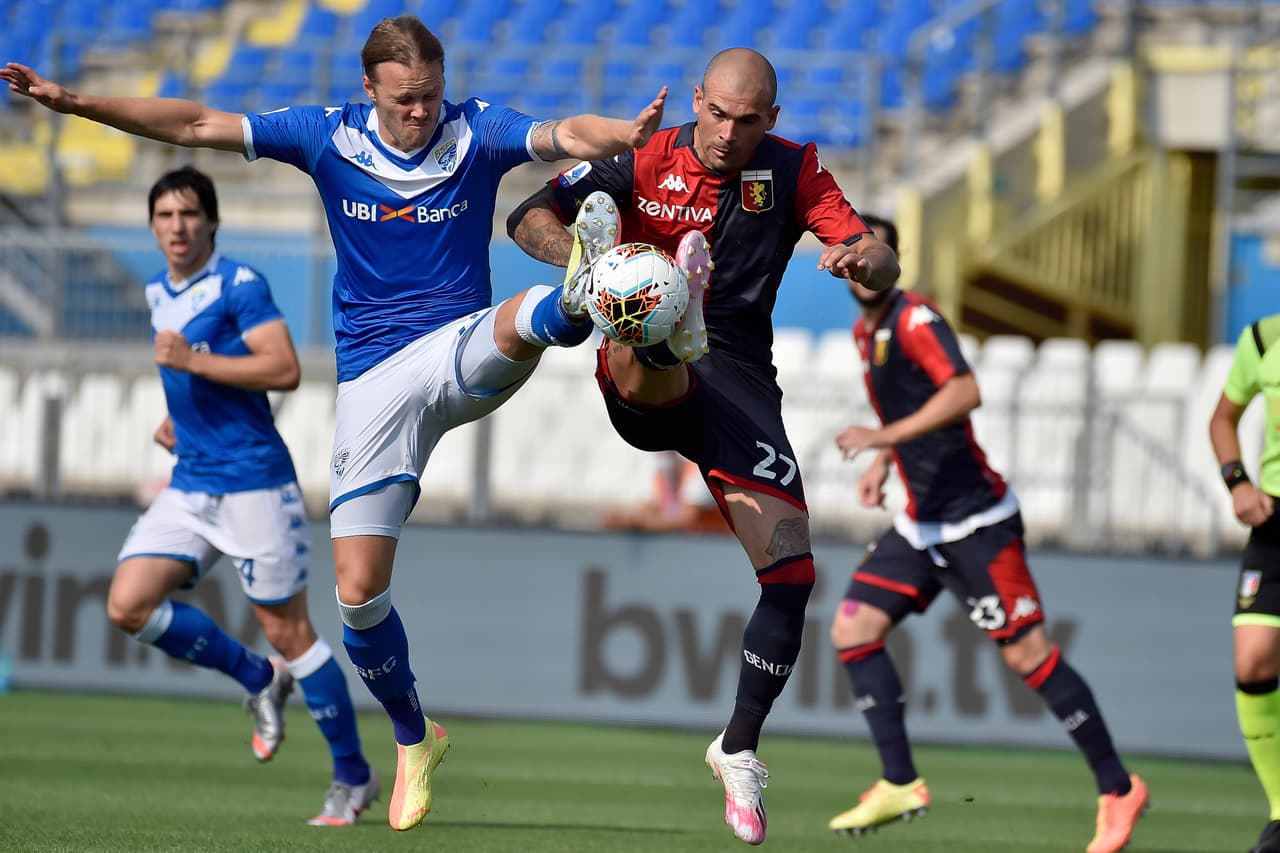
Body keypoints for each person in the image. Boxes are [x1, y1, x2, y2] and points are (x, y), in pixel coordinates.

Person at [3, 14, 667, 832]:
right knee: (357, 596)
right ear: (368, 91)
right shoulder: (326, 137)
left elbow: (565, 131)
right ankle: (415, 737)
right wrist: (74, 103)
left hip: (453, 348)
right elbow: (197, 123)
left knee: (519, 321)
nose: (421, 112)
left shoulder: (476, 130)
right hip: (370, 386)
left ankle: (580, 291)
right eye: (404, 100)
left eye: (430, 95)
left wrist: (621, 132)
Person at [507, 47, 899, 845]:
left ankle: (739, 748)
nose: (727, 132)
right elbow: (525, 216)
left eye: (747, 120)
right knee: (641, 318)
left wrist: (865, 258)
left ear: (773, 120)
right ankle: (651, 305)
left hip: (740, 378)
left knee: (792, 573)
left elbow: (883, 264)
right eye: (717, 113)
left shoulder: (795, 171)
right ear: (697, 100)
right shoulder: (643, 153)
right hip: (638, 346)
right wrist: (578, 259)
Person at [825, 214, 1149, 852]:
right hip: (922, 524)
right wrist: (884, 462)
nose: (861, 262)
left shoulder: (915, 319)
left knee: (1027, 656)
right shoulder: (870, 334)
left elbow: (965, 391)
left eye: (872, 249)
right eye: (850, 249)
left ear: (893, 258)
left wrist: (882, 439)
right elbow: (907, 408)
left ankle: (1118, 789)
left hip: (975, 521)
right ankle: (900, 782)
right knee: (853, 629)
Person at [106, 166, 377, 826]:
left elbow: (282, 368)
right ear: (152, 225)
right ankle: (257, 677)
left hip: (255, 484)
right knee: (128, 604)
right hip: (192, 479)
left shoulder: (239, 285)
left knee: (293, 631)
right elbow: (201, 377)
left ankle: (354, 776)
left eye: (190, 214)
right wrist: (184, 417)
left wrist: (195, 364)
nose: (178, 226)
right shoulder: (157, 293)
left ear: (212, 222)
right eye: (166, 215)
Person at [1210, 313, 1280, 853]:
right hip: (1275, 521)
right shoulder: (1263, 337)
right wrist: (1237, 482)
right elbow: (1223, 418)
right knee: (1253, 660)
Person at [600, 450, 726, 533]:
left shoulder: (699, 465)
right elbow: (648, 507)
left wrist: (635, 523)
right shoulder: (663, 466)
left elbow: (688, 518)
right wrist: (628, 519)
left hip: (715, 549)